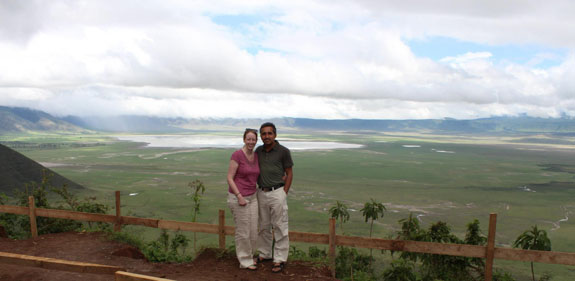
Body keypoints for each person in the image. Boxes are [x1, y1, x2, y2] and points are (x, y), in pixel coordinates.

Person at [255, 122, 294, 273]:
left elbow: (289, 173)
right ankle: (265, 253)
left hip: (277, 192)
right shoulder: (258, 151)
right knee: (264, 226)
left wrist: (284, 192)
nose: (266, 136)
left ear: (275, 135)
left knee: (280, 225)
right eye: (263, 134)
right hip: (261, 192)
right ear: (261, 136)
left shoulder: (283, 151)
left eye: (269, 133)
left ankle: (279, 259)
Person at [226, 128, 260, 270]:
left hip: (253, 197)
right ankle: (245, 261)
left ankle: (249, 256)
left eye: (253, 139)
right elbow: (229, 177)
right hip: (239, 197)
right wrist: (239, 196)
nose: (251, 142)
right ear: (244, 139)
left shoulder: (256, 156)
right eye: (249, 139)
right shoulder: (237, 155)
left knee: (253, 231)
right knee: (243, 231)